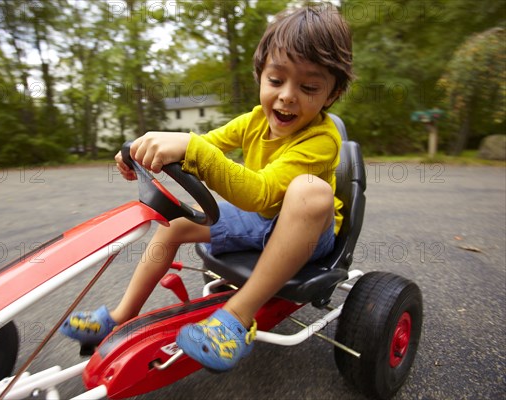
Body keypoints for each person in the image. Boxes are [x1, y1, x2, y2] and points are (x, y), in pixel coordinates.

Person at [60, 3, 353, 372]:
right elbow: (206, 145)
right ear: (260, 76)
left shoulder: (322, 140)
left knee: (310, 190)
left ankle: (236, 318)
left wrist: (192, 147)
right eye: (276, 80)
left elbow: (259, 192)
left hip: (308, 233)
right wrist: (144, 150)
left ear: (331, 94)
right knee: (175, 226)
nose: (287, 96)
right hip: (259, 222)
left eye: (309, 86)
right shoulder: (254, 120)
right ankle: (121, 315)